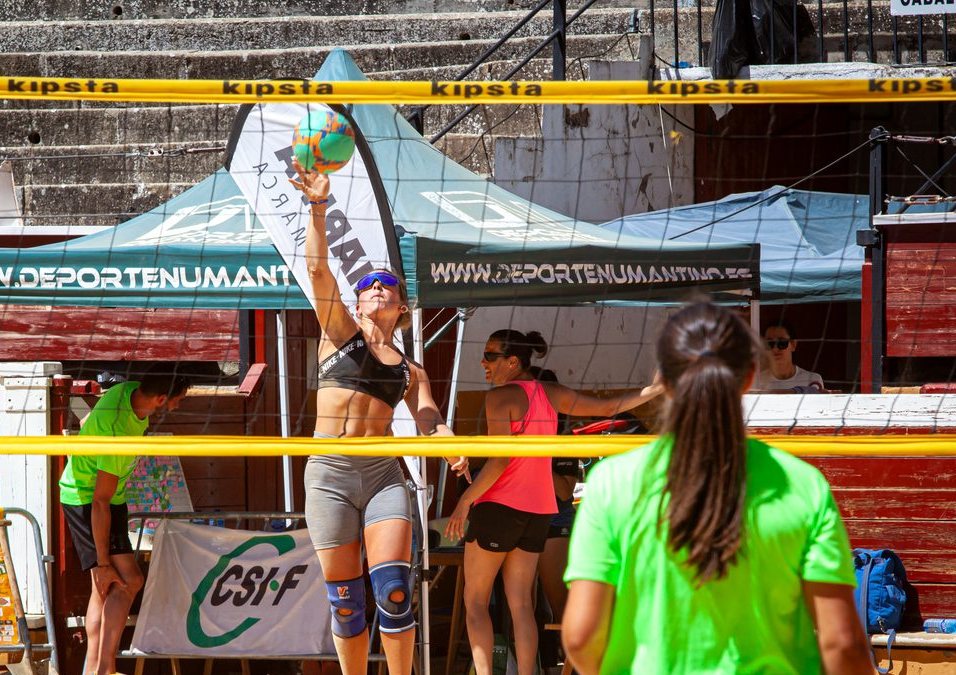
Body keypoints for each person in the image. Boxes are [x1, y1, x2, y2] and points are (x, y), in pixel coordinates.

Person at [562, 302, 873, 675]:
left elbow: (580, 639)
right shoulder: (802, 485)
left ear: (664, 377)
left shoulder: (612, 483)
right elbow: (842, 644)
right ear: (749, 377)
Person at [289, 160, 468, 675]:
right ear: (359, 300)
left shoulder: (410, 369)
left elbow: (430, 420)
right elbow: (319, 270)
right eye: (367, 283)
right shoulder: (339, 333)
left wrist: (450, 443)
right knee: (346, 601)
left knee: (392, 592)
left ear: (400, 304)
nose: (375, 287)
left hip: (382, 474)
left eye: (386, 283)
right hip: (329, 473)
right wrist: (319, 206)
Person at [445, 330, 662, 675]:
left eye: (490, 356)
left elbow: (500, 461)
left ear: (513, 362)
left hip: (499, 506)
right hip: (537, 513)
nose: (482, 363)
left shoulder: (500, 398)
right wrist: (651, 391)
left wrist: (465, 502)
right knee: (521, 605)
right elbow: (606, 408)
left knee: (475, 602)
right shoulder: (550, 393)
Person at [58, 372, 189, 675]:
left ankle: (97, 668)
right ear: (160, 400)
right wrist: (103, 563)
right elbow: (100, 503)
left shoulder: (129, 391)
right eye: (178, 400)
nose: (180, 406)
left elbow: (84, 421)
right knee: (115, 582)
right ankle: (101, 668)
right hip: (87, 501)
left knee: (112, 587)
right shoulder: (116, 433)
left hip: (110, 498)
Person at [756, 321, 825, 393]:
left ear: (793, 345)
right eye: (769, 343)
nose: (775, 349)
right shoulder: (756, 381)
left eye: (782, 343)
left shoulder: (812, 380)